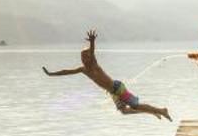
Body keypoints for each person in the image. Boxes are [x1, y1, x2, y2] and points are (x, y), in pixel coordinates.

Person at [43, 30, 171, 120]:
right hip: (112, 92)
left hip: (117, 87)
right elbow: (66, 71)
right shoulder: (83, 70)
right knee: (124, 112)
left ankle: (161, 110)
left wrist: (92, 42)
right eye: (81, 57)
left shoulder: (94, 65)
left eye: (85, 56)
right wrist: (51, 74)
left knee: (135, 105)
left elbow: (92, 52)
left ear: (89, 58)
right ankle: (152, 112)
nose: (83, 59)